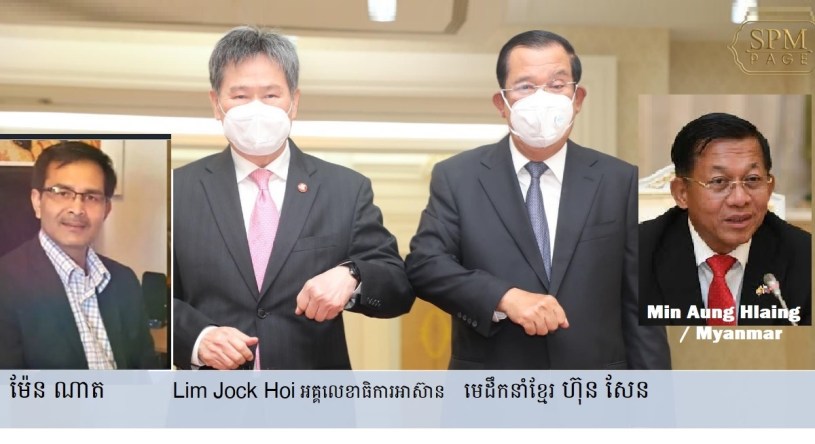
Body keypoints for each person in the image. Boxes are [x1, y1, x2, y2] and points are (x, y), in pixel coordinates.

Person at [405, 30, 670, 369]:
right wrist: (504, 297)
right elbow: (426, 266)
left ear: (577, 98)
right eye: (526, 87)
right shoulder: (458, 177)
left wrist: (656, 397)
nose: (542, 99)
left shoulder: (619, 180)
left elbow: (640, 307)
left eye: (557, 85)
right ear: (502, 104)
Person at [173, 26, 414, 370]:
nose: (256, 109)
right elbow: (151, 298)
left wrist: (353, 276)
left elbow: (397, 286)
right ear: (216, 103)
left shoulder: (344, 189)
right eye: (240, 96)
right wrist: (197, 337)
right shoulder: (179, 190)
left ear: (294, 102)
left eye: (271, 95)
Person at [640, 112, 811, 326]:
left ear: (769, 188)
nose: (740, 199)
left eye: (752, 179)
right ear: (682, 193)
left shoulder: (805, 258)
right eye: (719, 181)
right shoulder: (634, 256)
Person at [0, 141, 158, 369]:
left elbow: (145, 370)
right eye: (62, 193)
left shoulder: (124, 280)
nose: (77, 209)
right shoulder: (6, 283)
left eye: (91, 197)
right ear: (37, 201)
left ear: (106, 210)